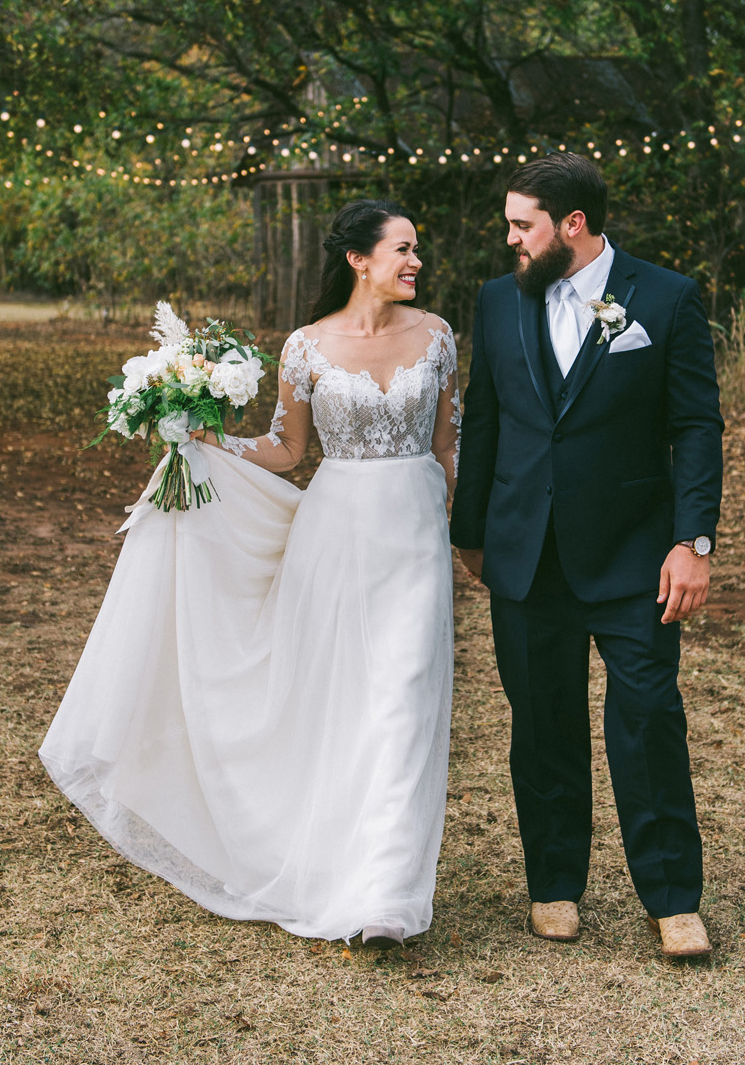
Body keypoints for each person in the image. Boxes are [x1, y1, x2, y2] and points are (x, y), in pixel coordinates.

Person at [39, 199, 459, 947]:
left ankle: (386, 898)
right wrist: (209, 443)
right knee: (340, 702)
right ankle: (326, 861)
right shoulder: (306, 346)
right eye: (402, 249)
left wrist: (473, 534)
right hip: (334, 535)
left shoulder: (437, 338)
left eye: (416, 249)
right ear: (360, 260)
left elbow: (449, 448)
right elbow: (288, 449)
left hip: (416, 536)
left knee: (404, 699)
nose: (416, 262)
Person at [451, 152, 725, 959]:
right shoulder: (498, 302)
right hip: (527, 556)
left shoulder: (665, 297)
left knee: (647, 721)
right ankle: (554, 885)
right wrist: (472, 533)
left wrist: (693, 541)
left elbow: (696, 427)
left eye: (521, 226)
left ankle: (673, 899)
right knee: (542, 726)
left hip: (637, 556)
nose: (511, 241)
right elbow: (487, 417)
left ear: (572, 225)